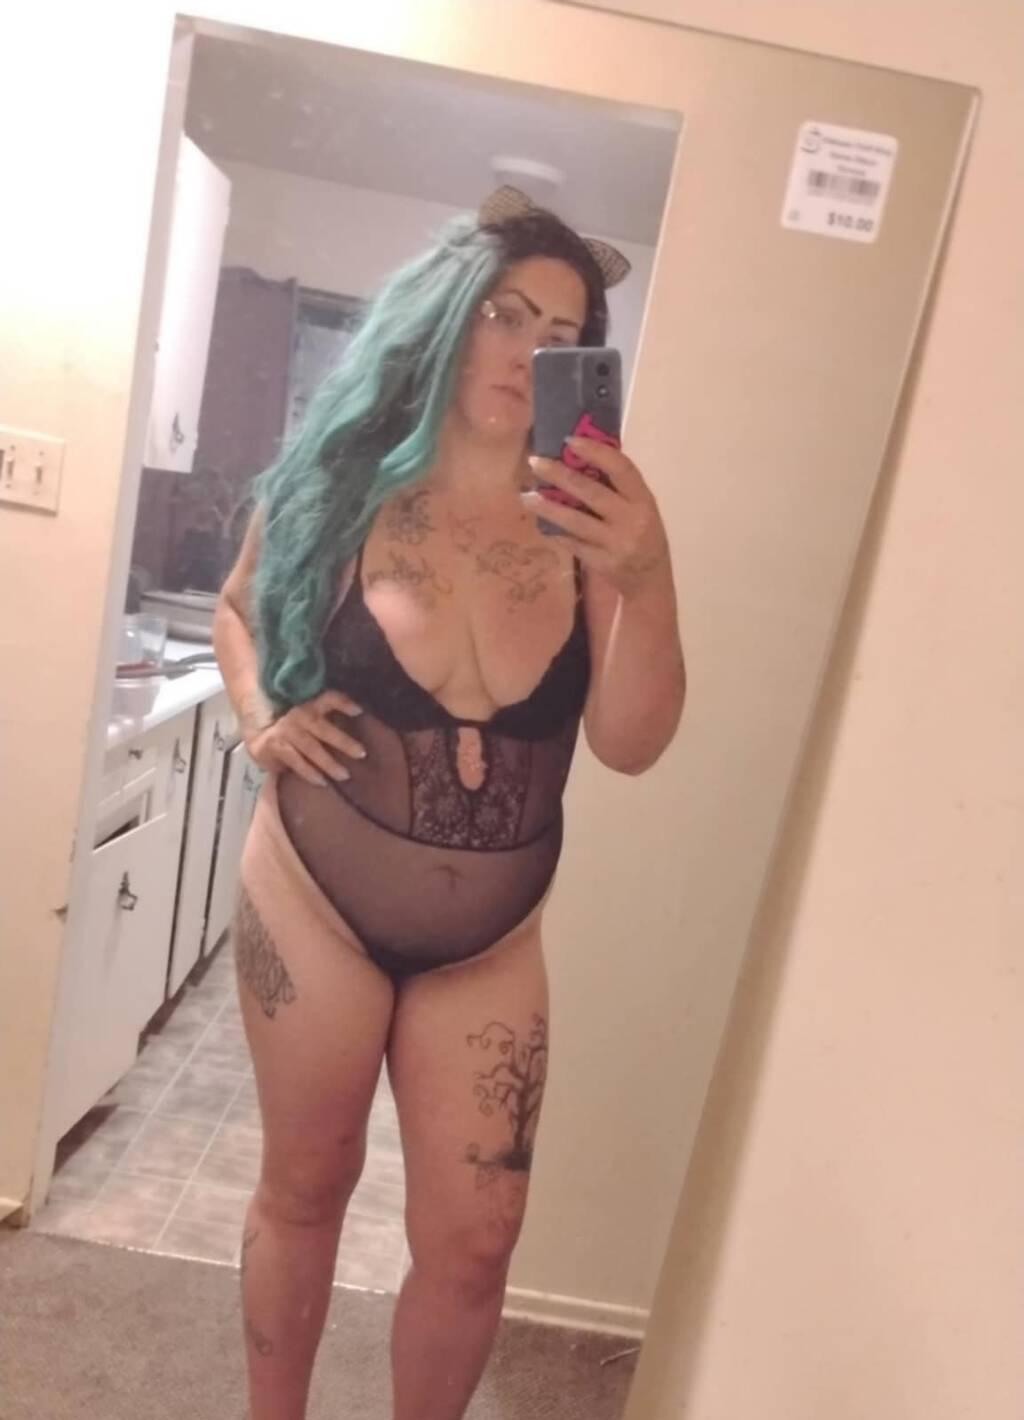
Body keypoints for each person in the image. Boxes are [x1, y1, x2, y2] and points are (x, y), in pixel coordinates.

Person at [212, 185, 686, 1420]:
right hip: (315, 902)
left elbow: (631, 743)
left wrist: (649, 575)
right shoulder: (348, 479)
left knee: (478, 1237)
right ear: (446, 316)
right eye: (503, 313)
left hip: (491, 942)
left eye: (561, 334)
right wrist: (259, 714)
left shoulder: (587, 525)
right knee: (305, 1188)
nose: (527, 350)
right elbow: (235, 606)